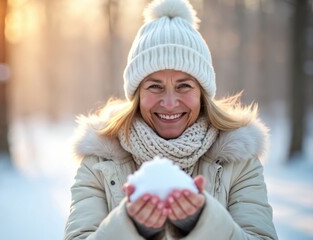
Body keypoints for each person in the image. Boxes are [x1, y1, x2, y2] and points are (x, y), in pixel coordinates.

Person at [64, 0, 278, 239]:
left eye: (184, 86)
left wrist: (201, 221)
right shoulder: (100, 159)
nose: (169, 103)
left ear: (202, 93)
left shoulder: (237, 159)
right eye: (154, 86)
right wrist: (132, 227)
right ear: (136, 94)